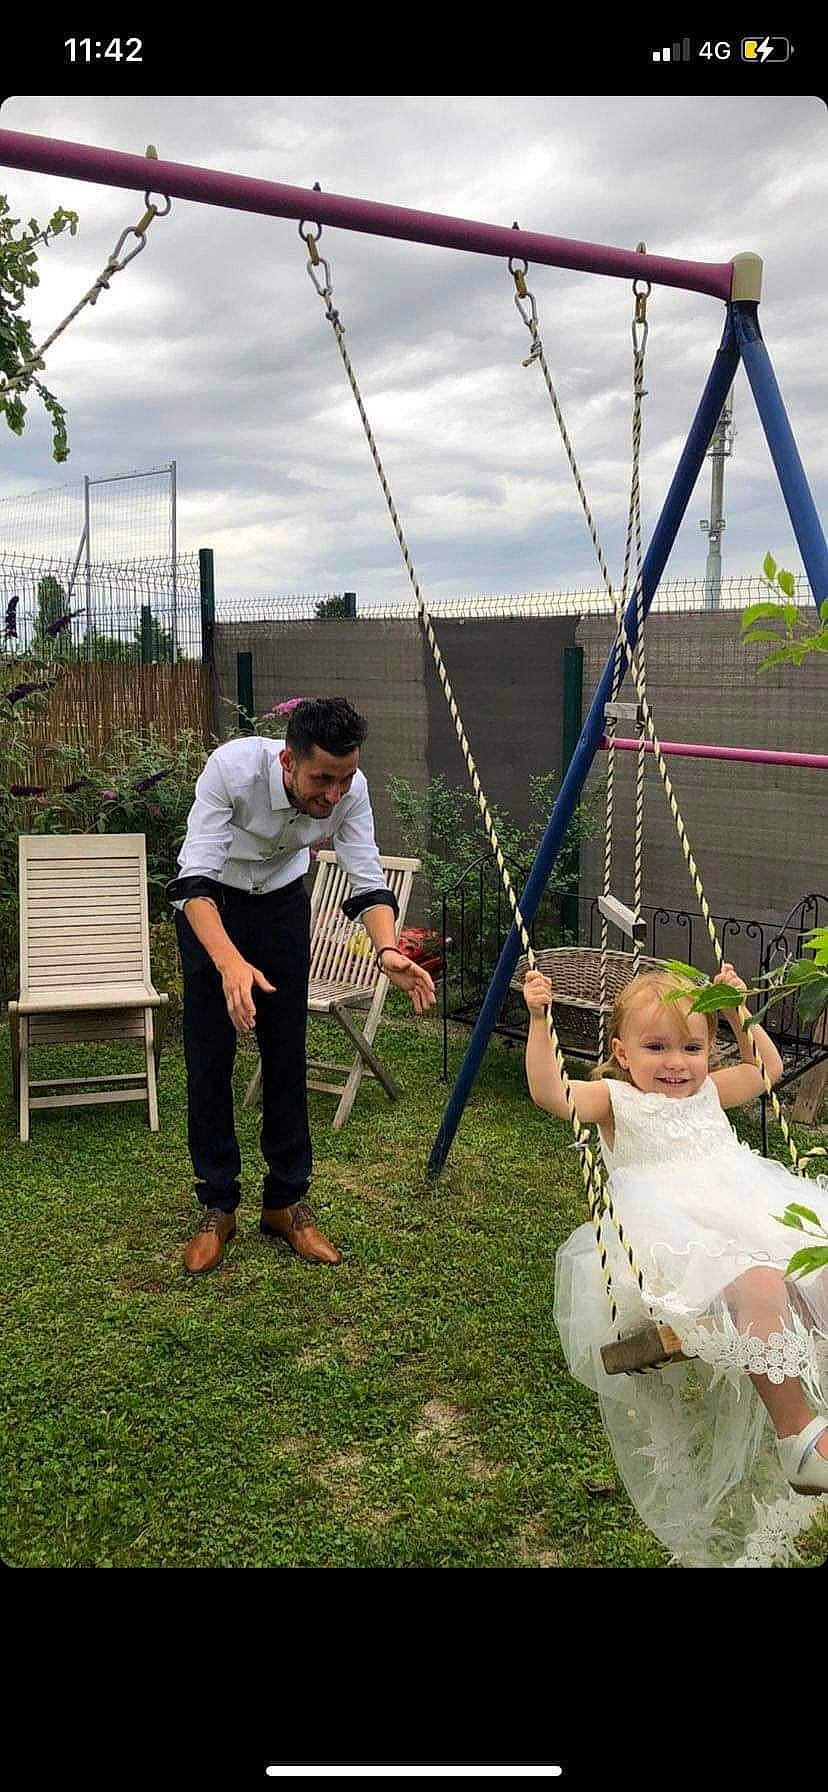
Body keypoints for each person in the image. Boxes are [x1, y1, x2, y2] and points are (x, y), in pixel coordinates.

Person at [522, 960, 828, 1568]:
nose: (676, 1062)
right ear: (622, 1052)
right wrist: (538, 1018)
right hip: (675, 1242)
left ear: (710, 1048)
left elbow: (768, 1069)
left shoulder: (713, 1090)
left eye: (692, 1046)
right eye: (656, 1046)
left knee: (818, 1264)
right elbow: (550, 1093)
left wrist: (738, 1010)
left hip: (749, 1208)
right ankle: (798, 1438)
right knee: (759, 1284)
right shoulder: (618, 1102)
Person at [166, 697, 436, 1275]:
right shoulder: (230, 770)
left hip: (283, 905)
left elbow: (365, 873)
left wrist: (387, 948)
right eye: (322, 779)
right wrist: (229, 964)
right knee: (209, 1056)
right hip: (213, 906)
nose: (334, 795)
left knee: (286, 1052)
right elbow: (192, 882)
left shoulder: (349, 788)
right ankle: (217, 1205)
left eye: (345, 779)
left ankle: (285, 1202)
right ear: (288, 760)